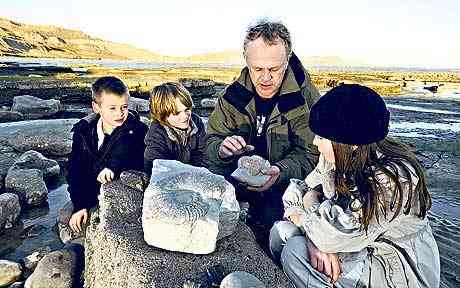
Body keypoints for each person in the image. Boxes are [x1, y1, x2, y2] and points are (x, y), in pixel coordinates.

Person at [270, 84, 440, 287]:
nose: (315, 142)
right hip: (354, 244)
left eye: (322, 137)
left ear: (351, 143)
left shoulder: (393, 180)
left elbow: (328, 235)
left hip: (395, 268)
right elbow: (298, 191)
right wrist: (314, 234)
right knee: (280, 233)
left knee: (294, 252)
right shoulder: (336, 159)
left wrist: (314, 228)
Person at [204, 19, 320, 237]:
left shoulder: (307, 101)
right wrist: (221, 149)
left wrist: (281, 173)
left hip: (284, 189)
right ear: (246, 60)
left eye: (274, 69)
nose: (265, 78)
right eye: (257, 68)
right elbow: (209, 141)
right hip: (237, 182)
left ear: (288, 60)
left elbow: (311, 154)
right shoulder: (232, 97)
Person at [67, 76, 148, 233]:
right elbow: (75, 171)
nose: (120, 113)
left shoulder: (138, 130)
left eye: (124, 107)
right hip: (92, 194)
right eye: (112, 108)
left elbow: (129, 150)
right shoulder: (83, 132)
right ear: (96, 107)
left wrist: (113, 167)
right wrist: (80, 205)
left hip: (124, 199)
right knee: (72, 222)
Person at [144, 82, 206, 176]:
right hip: (169, 177)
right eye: (177, 113)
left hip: (194, 174)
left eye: (187, 109)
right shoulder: (156, 133)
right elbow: (154, 166)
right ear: (162, 116)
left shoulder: (196, 122)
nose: (185, 116)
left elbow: (204, 153)